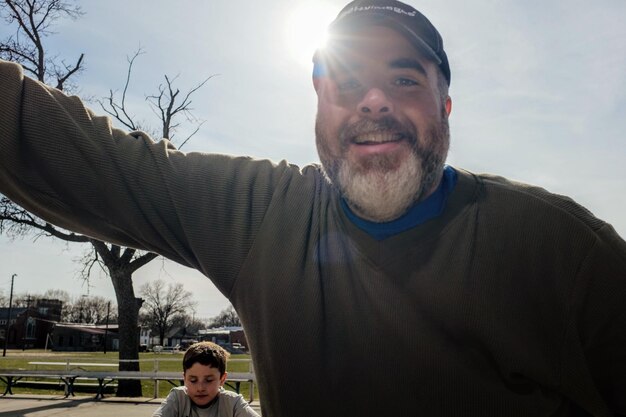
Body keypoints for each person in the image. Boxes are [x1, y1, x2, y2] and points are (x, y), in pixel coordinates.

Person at [0, 0, 624, 415]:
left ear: (446, 108)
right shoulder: (263, 216)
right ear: (320, 110)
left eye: (405, 79)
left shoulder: (563, 252)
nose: (373, 100)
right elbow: (71, 151)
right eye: (346, 83)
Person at [152, 342, 259, 417]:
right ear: (184, 378)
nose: (200, 388)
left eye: (208, 380)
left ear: (222, 379)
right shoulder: (178, 399)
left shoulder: (232, 403)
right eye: (193, 380)